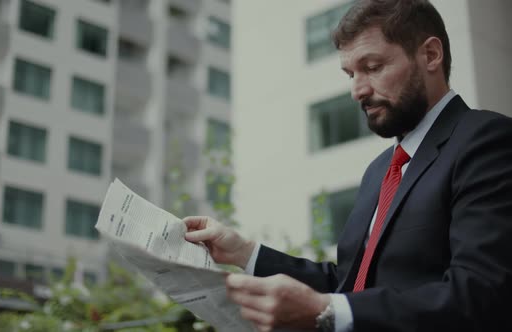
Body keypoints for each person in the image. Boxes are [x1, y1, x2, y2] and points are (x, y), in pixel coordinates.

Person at [183, 0, 512, 331]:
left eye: (372, 67)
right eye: (350, 74)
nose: (358, 90)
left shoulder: (487, 141)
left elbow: (480, 294)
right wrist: (245, 252)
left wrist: (328, 310)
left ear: (430, 55)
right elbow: (349, 284)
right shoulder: (378, 171)